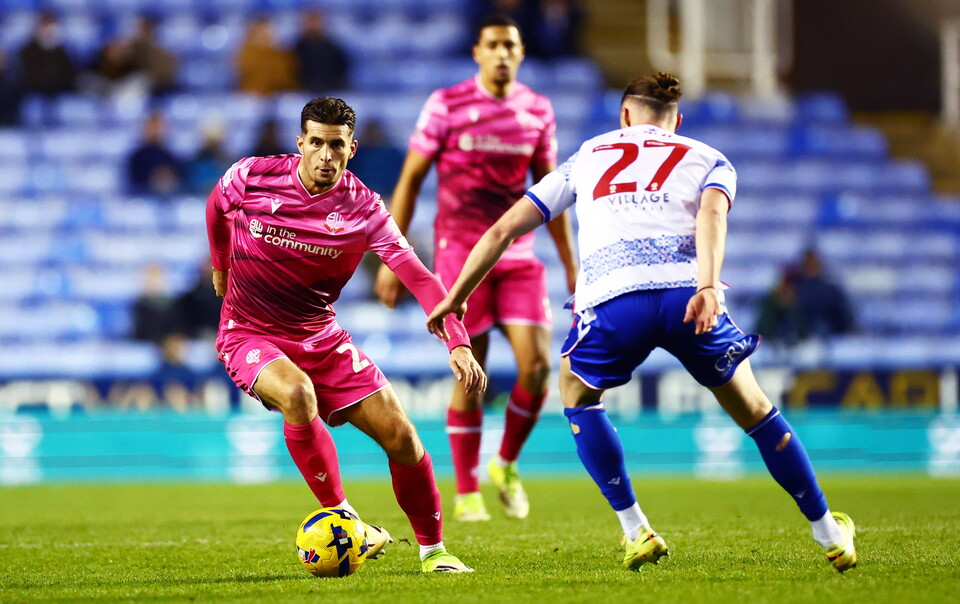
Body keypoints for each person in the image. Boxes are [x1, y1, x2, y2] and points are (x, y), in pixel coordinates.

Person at [426, 73, 857, 573]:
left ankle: (637, 530)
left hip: (614, 301)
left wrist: (456, 297)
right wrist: (710, 286)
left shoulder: (588, 156)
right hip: (687, 299)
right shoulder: (708, 157)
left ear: (625, 116)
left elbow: (503, 228)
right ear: (676, 121)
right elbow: (712, 217)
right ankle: (829, 532)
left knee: (577, 395)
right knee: (757, 411)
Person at [206, 97, 485, 573]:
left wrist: (457, 340)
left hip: (321, 335)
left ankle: (434, 551)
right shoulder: (251, 176)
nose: (326, 155)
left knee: (402, 437)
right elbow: (216, 208)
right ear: (301, 143)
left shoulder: (365, 209)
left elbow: (417, 275)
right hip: (249, 333)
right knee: (296, 394)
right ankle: (344, 516)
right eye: (316, 142)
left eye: (336, 145)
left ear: (351, 148)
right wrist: (220, 263)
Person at [374, 14, 577, 522]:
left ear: (522, 52)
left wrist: (573, 266)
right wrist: (390, 258)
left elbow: (549, 192)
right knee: (471, 372)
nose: (503, 53)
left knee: (535, 368)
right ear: (477, 52)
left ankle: (504, 463)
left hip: (519, 258)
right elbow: (411, 179)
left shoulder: (537, 110)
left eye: (511, 44)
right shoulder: (446, 104)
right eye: (494, 45)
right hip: (460, 257)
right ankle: (466, 492)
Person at [235, 17, 299, 96]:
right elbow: (247, 77)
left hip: (278, 94)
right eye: (261, 31)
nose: (265, 34)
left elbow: (285, 77)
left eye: (268, 31)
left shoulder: (280, 52)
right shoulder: (246, 52)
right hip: (253, 94)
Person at [17, 12, 77, 97]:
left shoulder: (64, 50)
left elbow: (70, 76)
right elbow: (26, 78)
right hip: (34, 94)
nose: (48, 30)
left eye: (51, 26)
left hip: (60, 94)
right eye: (45, 26)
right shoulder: (27, 51)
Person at [126, 112, 184, 196]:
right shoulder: (137, 157)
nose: (155, 131)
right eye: (152, 127)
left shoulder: (170, 156)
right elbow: (134, 183)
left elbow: (178, 178)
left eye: (158, 127)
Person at [293, 11, 350, 93]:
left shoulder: (333, 49)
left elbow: (340, 71)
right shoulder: (295, 50)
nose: (313, 26)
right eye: (310, 22)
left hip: (330, 90)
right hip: (302, 92)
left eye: (316, 22)